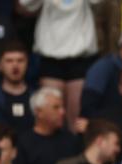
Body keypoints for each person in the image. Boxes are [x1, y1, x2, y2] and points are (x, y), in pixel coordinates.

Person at [19, 0, 100, 131]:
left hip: (80, 55)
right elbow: (26, 4)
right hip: (51, 55)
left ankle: (76, 150)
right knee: (50, 115)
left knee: (76, 119)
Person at [15, 87, 78, 164]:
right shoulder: (23, 143)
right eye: (56, 107)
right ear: (39, 112)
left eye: (62, 107)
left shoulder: (70, 140)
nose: (62, 112)